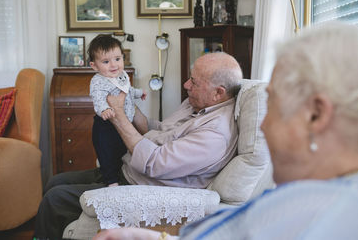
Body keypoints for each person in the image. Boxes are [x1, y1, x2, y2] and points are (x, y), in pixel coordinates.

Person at [93, 23, 358, 240]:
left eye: (273, 106)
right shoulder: (334, 196)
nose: (262, 125)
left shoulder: (320, 213)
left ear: (316, 115)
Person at [33, 52, 243, 240]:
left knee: (54, 200)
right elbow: (159, 129)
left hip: (138, 185)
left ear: (218, 92)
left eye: (194, 82)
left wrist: (118, 116)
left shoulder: (215, 135)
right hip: (126, 170)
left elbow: (154, 162)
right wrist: (126, 103)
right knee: (56, 181)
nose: (186, 85)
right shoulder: (197, 104)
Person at [88, 34, 146, 187]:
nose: (113, 65)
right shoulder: (98, 81)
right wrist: (104, 109)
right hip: (105, 125)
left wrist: (139, 93)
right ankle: (111, 181)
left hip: (124, 122)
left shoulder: (122, 76)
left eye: (117, 59)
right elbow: (98, 98)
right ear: (94, 66)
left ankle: (120, 176)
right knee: (106, 154)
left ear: (123, 58)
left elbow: (127, 91)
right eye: (106, 62)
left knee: (122, 151)